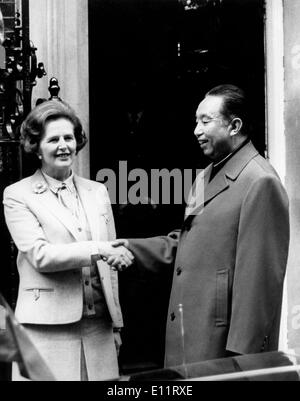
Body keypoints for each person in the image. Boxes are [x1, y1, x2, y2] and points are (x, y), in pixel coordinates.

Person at [113, 84, 290, 368]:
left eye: (205, 121)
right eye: (196, 121)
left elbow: (259, 283)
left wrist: (244, 361)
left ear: (234, 126)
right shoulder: (203, 178)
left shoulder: (260, 182)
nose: (196, 130)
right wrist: (131, 247)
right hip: (189, 337)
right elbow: (185, 243)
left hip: (223, 350)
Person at [3, 100, 134, 381]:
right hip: (46, 329)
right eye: (53, 139)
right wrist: (99, 249)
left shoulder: (97, 191)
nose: (64, 146)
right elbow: (41, 256)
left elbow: (110, 269)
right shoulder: (17, 195)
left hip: (98, 327)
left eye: (69, 137)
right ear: (36, 147)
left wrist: (116, 326)